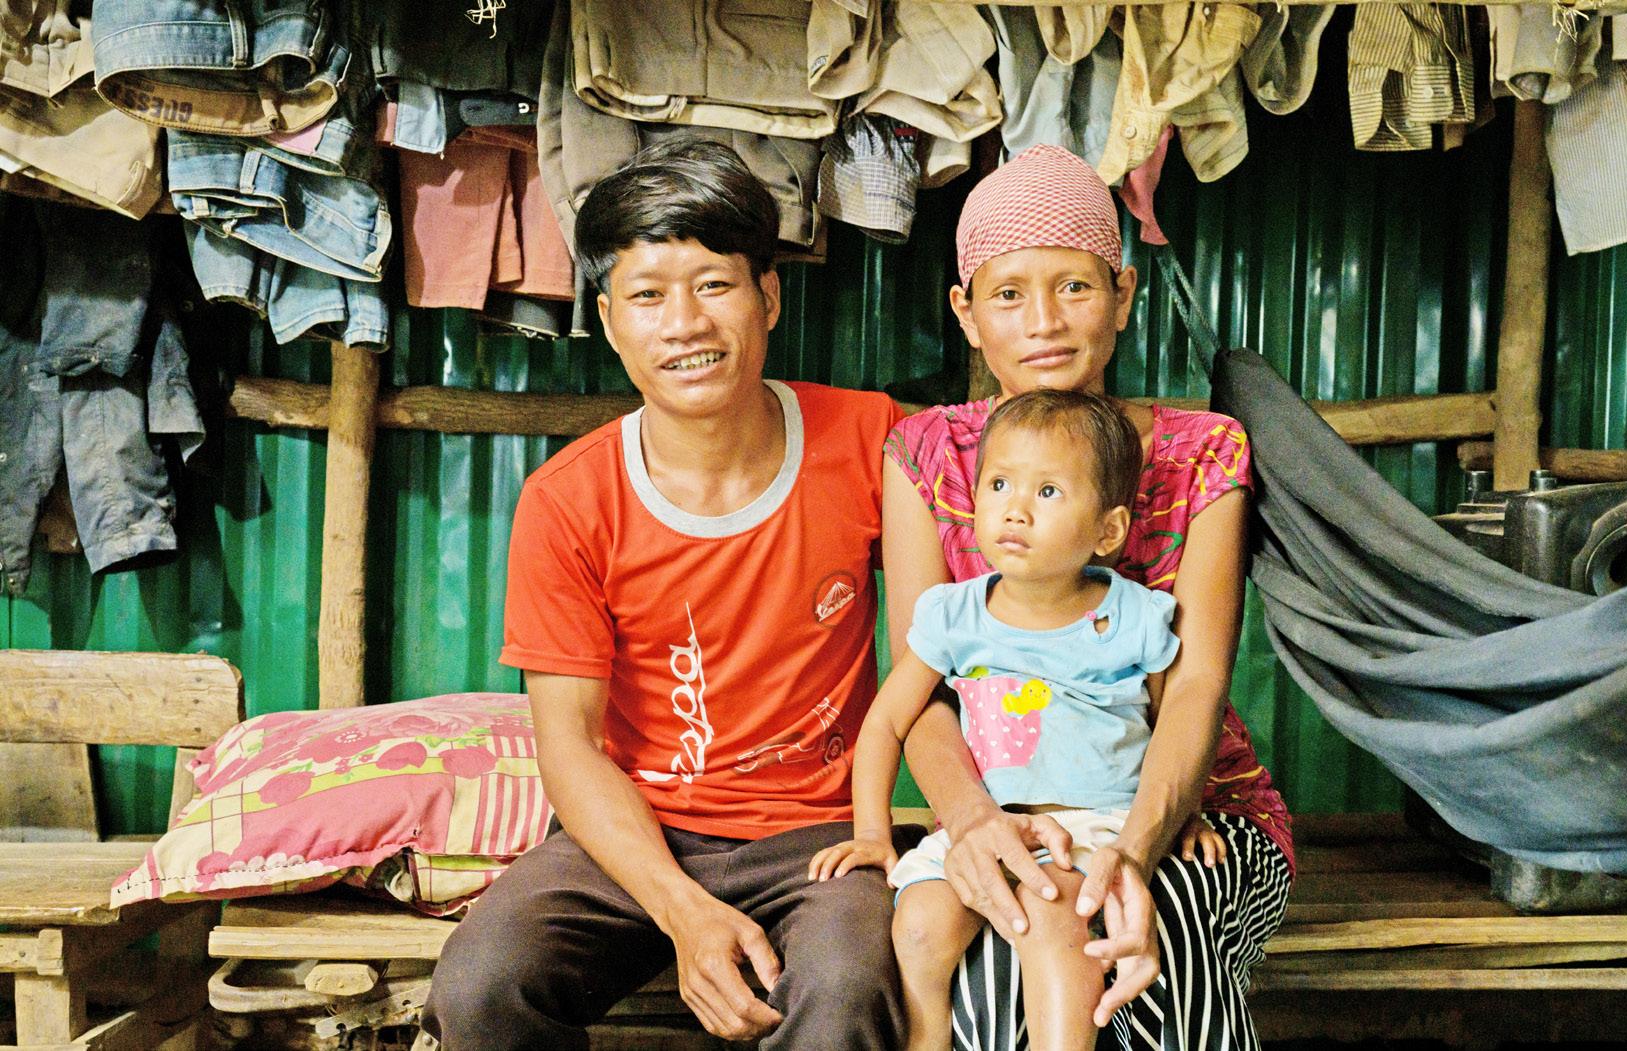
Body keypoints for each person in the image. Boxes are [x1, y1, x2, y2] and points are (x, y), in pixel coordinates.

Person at [419, 139, 905, 1050]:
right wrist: (682, 910)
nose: (684, 323)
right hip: (635, 836)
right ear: (608, 320)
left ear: (768, 296)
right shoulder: (568, 500)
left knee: (848, 989)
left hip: (818, 838)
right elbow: (568, 745)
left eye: (714, 285)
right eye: (647, 295)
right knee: (482, 986)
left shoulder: (869, 439)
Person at [882, 144, 1296, 1050]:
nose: (1043, 322)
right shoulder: (925, 454)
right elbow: (921, 693)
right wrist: (975, 822)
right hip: (1004, 809)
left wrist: (1136, 845)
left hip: (1198, 817)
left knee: (1154, 938)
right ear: (965, 313)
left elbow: (1195, 682)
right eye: (1007, 294)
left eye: (1073, 286)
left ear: (1123, 294)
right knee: (996, 960)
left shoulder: (1201, 451)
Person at [811, 389, 1227, 1051]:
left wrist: (1183, 814)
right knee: (919, 924)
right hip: (984, 825)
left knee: (1052, 920)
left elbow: (1168, 724)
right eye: (999, 484)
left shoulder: (1134, 616)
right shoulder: (954, 616)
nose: (1014, 509)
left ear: (1108, 531)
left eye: (1048, 492)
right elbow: (888, 721)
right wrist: (870, 834)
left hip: (1092, 826)